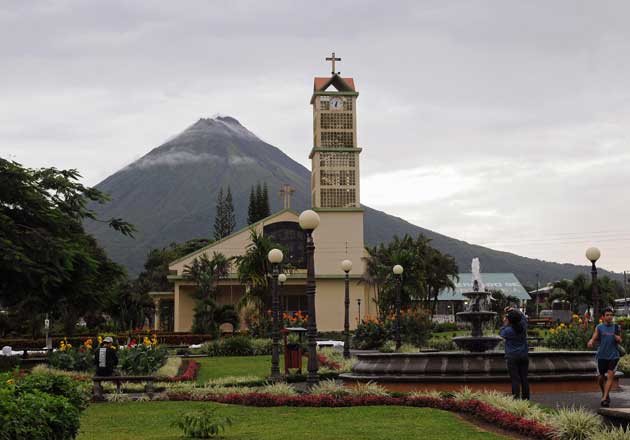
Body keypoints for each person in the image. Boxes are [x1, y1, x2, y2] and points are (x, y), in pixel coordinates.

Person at [587, 307, 621, 407]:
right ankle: (604, 393)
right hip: (601, 356)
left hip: (613, 356)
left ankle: (604, 398)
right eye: (607, 315)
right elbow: (594, 336)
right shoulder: (599, 327)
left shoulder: (616, 327)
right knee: (601, 378)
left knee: (610, 376)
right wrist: (591, 341)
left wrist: (617, 338)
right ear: (603, 317)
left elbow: (620, 340)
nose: (610, 317)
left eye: (611, 315)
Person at [499, 307, 529, 400]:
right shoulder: (523, 326)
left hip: (512, 357)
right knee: (524, 378)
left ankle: (516, 399)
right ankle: (526, 399)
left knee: (515, 379)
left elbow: (501, 333)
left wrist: (505, 323)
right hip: (524, 356)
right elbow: (522, 316)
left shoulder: (508, 330)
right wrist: (514, 309)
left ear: (509, 320)